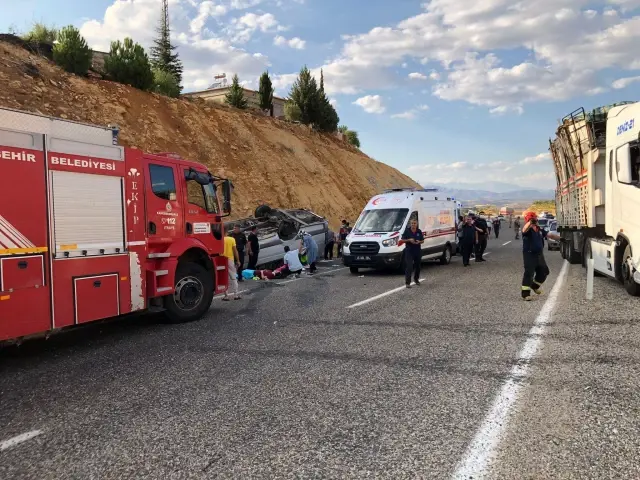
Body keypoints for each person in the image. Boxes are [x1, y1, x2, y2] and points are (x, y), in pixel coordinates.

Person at [521, 211, 561, 301]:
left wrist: (560, 238)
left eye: (534, 218)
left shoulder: (539, 229)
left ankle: (534, 286)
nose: (535, 220)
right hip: (529, 254)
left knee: (544, 271)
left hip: (539, 254)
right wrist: (530, 223)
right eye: (532, 218)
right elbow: (524, 230)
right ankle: (525, 294)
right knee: (529, 273)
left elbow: (549, 235)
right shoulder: (527, 230)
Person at [401, 218, 424, 288]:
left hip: (417, 251)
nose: (413, 225)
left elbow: (422, 240)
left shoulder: (419, 231)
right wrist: (409, 240)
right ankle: (407, 283)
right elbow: (402, 240)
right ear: (410, 224)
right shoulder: (407, 231)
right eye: (412, 223)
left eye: (414, 223)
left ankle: (416, 279)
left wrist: (419, 242)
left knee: (418, 267)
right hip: (409, 251)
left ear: (416, 224)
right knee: (409, 267)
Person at [222, 235, 241, 301]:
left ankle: (226, 296)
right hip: (230, 259)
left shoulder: (219, 239)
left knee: (224, 279)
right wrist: (238, 260)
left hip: (221, 260)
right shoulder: (231, 239)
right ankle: (236, 295)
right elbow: (235, 251)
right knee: (234, 277)